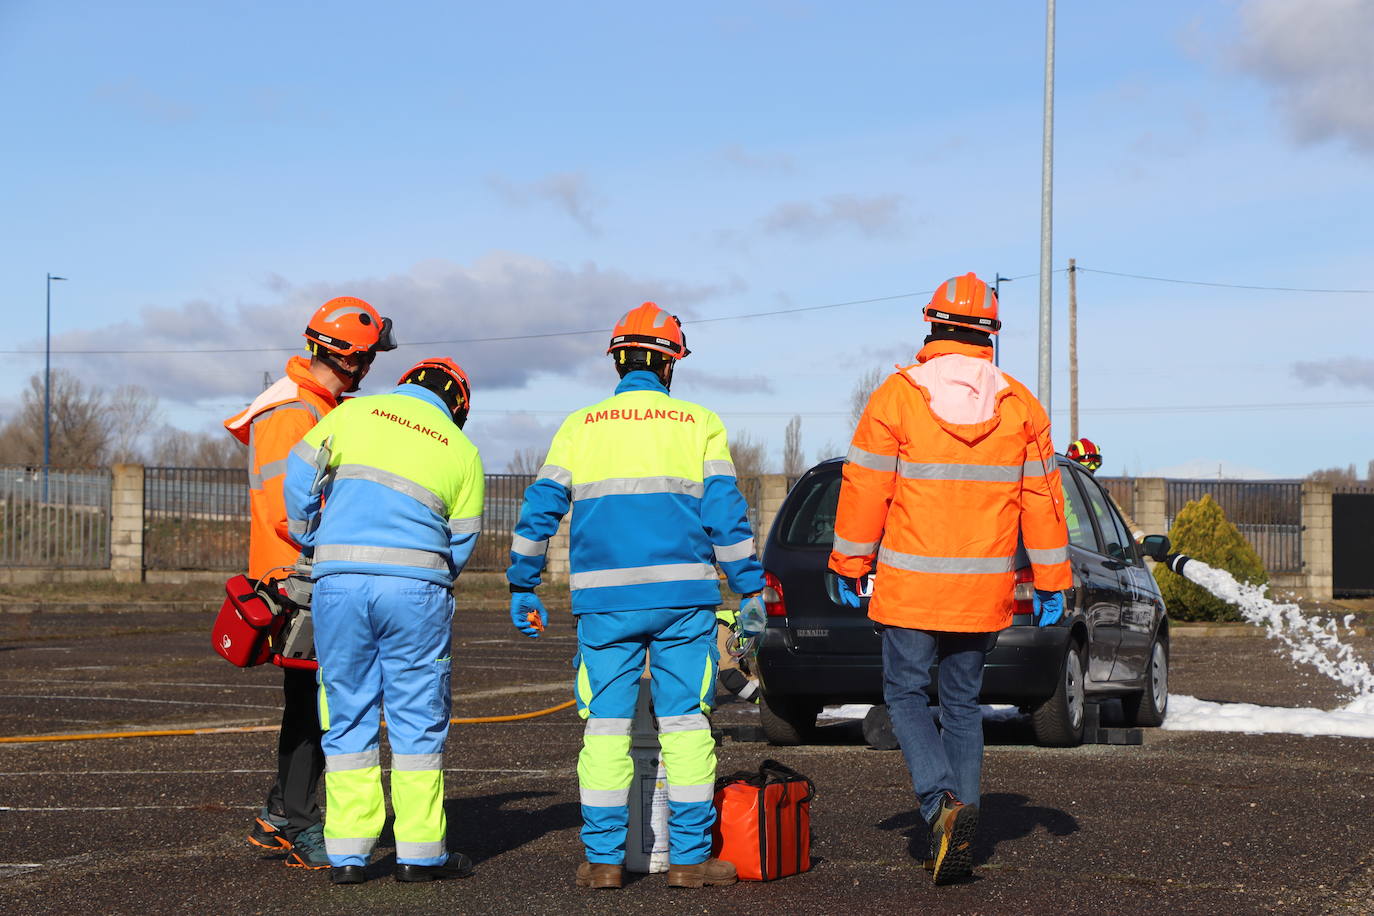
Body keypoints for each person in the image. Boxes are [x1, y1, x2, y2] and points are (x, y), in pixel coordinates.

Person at [505, 302, 765, 890]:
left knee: (604, 728)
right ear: (670, 364)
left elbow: (540, 508)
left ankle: (603, 861)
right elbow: (725, 515)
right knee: (686, 727)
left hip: (603, 605)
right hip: (684, 600)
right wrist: (751, 589)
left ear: (618, 360)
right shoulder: (700, 422)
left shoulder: (579, 425)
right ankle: (690, 862)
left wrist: (523, 582)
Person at [828, 273, 1071, 885]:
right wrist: (1050, 580)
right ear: (991, 334)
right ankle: (964, 822)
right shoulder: (1019, 405)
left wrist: (850, 564)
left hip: (910, 588)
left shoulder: (898, 396)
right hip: (981, 591)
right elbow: (1043, 500)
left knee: (906, 696)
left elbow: (865, 488)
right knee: (962, 706)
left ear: (932, 326)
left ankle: (941, 807)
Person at [284, 357, 484, 886]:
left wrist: (312, 538)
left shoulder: (355, 414)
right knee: (418, 718)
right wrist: (430, 577)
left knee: (347, 711)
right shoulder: (461, 448)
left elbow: (300, 468)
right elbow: (462, 539)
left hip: (340, 581)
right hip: (416, 589)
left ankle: (348, 855)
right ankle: (420, 856)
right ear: (457, 405)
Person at [224, 295, 396, 869]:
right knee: (311, 707)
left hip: (303, 575)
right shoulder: (293, 413)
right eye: (370, 358)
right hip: (296, 581)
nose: (371, 369)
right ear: (353, 360)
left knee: (317, 703)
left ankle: (281, 813)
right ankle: (295, 825)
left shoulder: (312, 406)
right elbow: (289, 512)